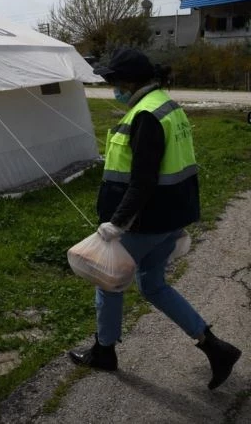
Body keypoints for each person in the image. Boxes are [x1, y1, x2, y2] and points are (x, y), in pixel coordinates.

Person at [68, 47, 241, 389]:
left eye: (114, 82)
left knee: (108, 280)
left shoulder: (145, 114)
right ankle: (215, 347)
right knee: (154, 285)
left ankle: (104, 352)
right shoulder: (167, 105)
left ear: (129, 81)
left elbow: (143, 179)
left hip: (144, 221)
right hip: (170, 218)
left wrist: (117, 223)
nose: (112, 88)